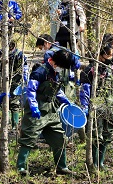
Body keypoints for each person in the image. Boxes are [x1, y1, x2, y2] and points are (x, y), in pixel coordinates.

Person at [16, 40, 80, 176]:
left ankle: (61, 167)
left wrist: (67, 101)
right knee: (29, 138)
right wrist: (33, 107)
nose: (61, 70)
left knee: (60, 137)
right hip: (37, 110)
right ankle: (21, 168)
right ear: (54, 62)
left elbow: (57, 90)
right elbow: (31, 91)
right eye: (61, 67)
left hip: (51, 110)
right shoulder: (40, 72)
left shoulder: (56, 73)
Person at [79, 44, 113, 170]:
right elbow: (85, 89)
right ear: (101, 55)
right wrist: (85, 106)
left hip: (110, 106)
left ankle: (101, 163)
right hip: (96, 106)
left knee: (108, 134)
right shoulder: (90, 70)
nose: (110, 57)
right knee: (96, 135)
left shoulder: (112, 69)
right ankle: (94, 163)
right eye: (108, 55)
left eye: (112, 55)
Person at [0, 40, 29, 131]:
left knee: (14, 104)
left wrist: (25, 80)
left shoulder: (20, 55)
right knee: (5, 103)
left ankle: (14, 126)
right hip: (4, 81)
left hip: (16, 82)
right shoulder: (2, 53)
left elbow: (25, 68)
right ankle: (6, 125)